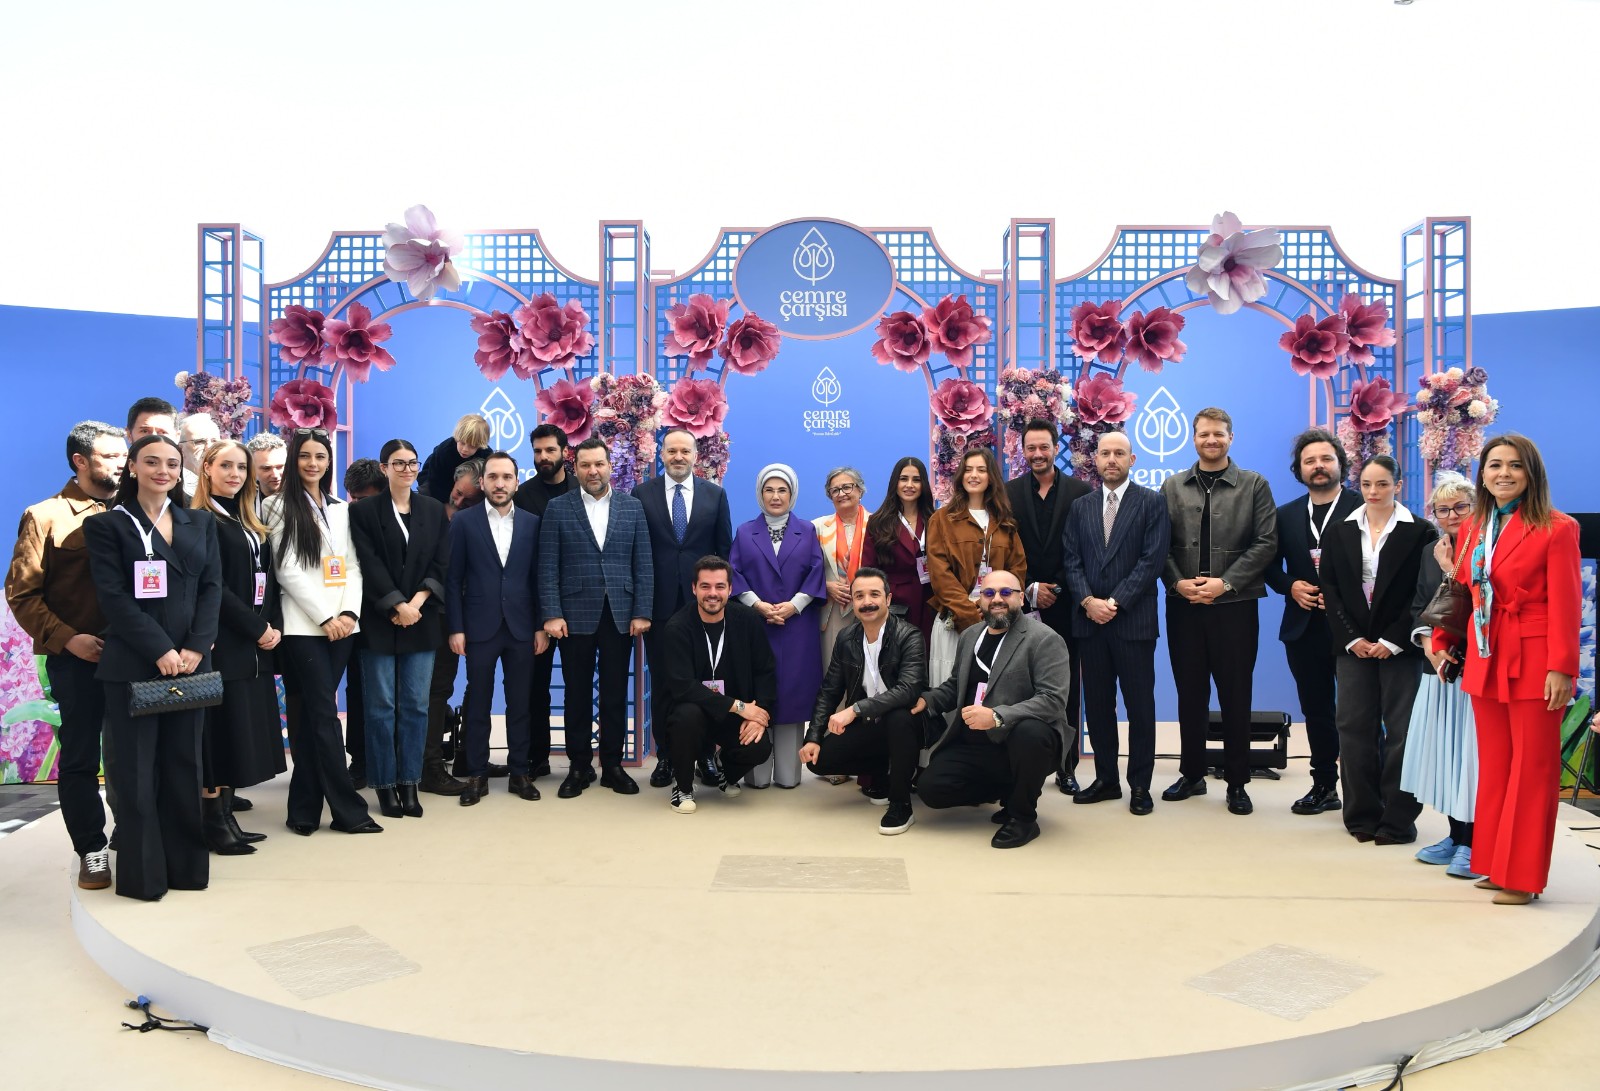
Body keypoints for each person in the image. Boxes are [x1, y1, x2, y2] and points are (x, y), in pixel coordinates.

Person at [1433, 435, 1581, 905]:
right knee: (1496, 766)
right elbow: (1463, 592)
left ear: (1531, 473)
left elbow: (1567, 603)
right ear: (1483, 474)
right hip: (1486, 654)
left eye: (1515, 465)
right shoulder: (1475, 526)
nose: (1503, 473)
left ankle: (1523, 877)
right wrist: (1443, 642)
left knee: (1533, 769)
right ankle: (1496, 865)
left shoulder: (1558, 528)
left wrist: (1562, 667)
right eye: (1495, 465)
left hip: (1535, 658)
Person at [83, 434, 220, 900]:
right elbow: (113, 597)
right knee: (135, 774)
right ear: (133, 467)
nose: (163, 471)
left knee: (185, 767)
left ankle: (186, 869)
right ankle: (144, 878)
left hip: (191, 665)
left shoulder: (200, 521)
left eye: (172, 463)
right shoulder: (108, 525)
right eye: (152, 462)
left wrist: (196, 646)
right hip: (134, 664)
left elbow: (212, 588)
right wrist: (160, 648)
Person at [5, 421, 127, 889]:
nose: (121, 463)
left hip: (138, 657)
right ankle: (91, 850)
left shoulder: (138, 510)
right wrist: (70, 639)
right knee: (79, 758)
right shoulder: (46, 516)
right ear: (80, 460)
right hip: (78, 659)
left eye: (124, 455)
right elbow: (23, 594)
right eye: (111, 456)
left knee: (137, 753)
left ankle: (134, 835)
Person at [1159, 407, 1277, 815]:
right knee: (1190, 694)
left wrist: (1224, 584)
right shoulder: (1172, 486)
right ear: (1194, 438)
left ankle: (1237, 782)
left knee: (1235, 695)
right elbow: (1159, 545)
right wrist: (1177, 582)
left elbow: (1266, 542)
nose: (1211, 440)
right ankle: (1191, 774)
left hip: (1235, 606)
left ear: (1231, 437)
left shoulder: (1254, 484)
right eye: (1204, 434)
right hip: (1184, 605)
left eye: (1219, 434)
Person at [265, 427, 381, 836]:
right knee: (324, 716)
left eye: (320, 456)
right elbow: (287, 570)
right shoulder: (276, 505)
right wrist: (324, 617)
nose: (313, 463)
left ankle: (303, 809)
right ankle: (349, 810)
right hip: (304, 627)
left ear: (329, 462)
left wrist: (347, 613)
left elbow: (352, 565)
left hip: (344, 627)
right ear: (293, 461)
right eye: (305, 456)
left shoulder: (341, 508)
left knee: (314, 716)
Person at [1319, 455, 1436, 845]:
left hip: (1400, 649)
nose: (1373, 491)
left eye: (1382, 484)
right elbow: (1331, 589)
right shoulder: (1339, 531)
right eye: (1367, 484)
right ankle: (1362, 815)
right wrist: (1353, 638)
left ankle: (1398, 819)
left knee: (1402, 732)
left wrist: (1392, 640)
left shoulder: (1420, 531)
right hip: (1352, 647)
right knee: (1354, 730)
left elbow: (1422, 593)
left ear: (1398, 486)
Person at [911, 570, 1069, 849]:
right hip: (977, 742)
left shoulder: (1044, 639)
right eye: (989, 593)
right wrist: (928, 700)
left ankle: (1023, 817)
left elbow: (1052, 699)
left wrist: (997, 716)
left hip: (1023, 740)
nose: (997, 599)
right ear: (980, 600)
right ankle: (1010, 788)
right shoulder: (970, 636)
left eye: (1006, 592)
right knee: (931, 790)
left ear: (1021, 598)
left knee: (1030, 732)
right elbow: (956, 685)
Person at [1061, 430, 1169, 816]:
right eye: (1105, 453)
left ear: (1131, 460)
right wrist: (1087, 601)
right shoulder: (1081, 507)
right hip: (1090, 623)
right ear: (1096, 458)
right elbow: (1071, 559)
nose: (1111, 459)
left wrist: (1114, 602)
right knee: (1098, 706)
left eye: (1119, 453)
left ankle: (1140, 785)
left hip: (1133, 622)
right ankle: (1106, 779)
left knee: (1140, 708)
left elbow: (1152, 561)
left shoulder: (1152, 503)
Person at [540, 437, 654, 797]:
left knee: (615, 693)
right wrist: (551, 613)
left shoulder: (632, 507)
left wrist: (642, 610)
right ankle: (579, 767)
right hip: (573, 615)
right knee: (575, 694)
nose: (593, 471)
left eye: (599, 464)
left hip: (620, 614)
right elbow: (547, 566)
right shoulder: (558, 508)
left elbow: (643, 563)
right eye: (586, 465)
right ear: (575, 468)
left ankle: (613, 766)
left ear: (610, 466)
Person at [190, 439, 283, 853]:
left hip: (253, 645)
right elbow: (215, 588)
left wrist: (271, 625)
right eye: (226, 466)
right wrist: (256, 627)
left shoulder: (246, 519)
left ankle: (226, 816)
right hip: (224, 643)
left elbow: (267, 580)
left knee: (238, 734)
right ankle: (213, 821)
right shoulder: (201, 519)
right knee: (220, 734)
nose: (235, 474)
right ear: (207, 468)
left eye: (242, 468)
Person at [350, 439, 451, 819]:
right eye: (398, 463)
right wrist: (396, 604)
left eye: (412, 463)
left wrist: (416, 604)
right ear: (384, 468)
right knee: (380, 708)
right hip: (379, 620)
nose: (407, 469)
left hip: (421, 621)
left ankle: (409, 782)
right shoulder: (364, 512)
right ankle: (384, 785)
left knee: (415, 706)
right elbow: (368, 563)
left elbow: (441, 562)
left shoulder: (433, 509)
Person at [1266, 428, 1362, 816]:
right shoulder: (1286, 515)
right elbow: (1269, 567)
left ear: (1341, 464)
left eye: (1325, 459)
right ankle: (1324, 786)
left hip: (1356, 629)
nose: (1318, 466)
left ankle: (1367, 790)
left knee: (1359, 714)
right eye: (1310, 461)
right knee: (1317, 711)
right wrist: (1290, 586)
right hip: (1303, 628)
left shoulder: (1363, 506)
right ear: (1299, 469)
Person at [632, 427, 733, 789]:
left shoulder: (715, 495)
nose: (678, 457)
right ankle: (666, 757)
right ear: (661, 454)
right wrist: (640, 606)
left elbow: (724, 552)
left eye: (684, 451)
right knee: (663, 682)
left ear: (695, 456)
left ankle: (704, 754)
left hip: (703, 608)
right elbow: (636, 552)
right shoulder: (642, 494)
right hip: (658, 607)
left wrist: (722, 603)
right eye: (671, 451)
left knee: (706, 682)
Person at [448, 451, 548, 806]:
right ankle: (476, 774)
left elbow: (539, 578)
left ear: (516, 482)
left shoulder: (533, 523)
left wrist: (541, 626)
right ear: (483, 482)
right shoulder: (464, 522)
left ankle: (520, 772)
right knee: (478, 702)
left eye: (506, 477)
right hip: (479, 627)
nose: (500, 483)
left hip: (523, 628)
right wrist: (456, 627)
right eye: (493, 477)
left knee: (521, 702)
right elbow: (453, 579)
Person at [800, 567, 927, 834]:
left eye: (874, 594)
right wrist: (813, 737)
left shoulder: (909, 635)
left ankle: (901, 804)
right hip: (870, 722)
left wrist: (855, 709)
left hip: (907, 722)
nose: (866, 602)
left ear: (888, 599)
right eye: (859, 596)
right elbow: (829, 690)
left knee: (899, 718)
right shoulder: (847, 638)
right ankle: (882, 773)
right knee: (817, 761)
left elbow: (908, 690)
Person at [728, 464, 828, 788]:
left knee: (792, 694)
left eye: (782, 490)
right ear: (760, 494)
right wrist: (757, 605)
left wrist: (793, 606)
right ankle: (756, 771)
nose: (775, 496)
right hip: (755, 625)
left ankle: (788, 773)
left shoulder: (807, 531)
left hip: (796, 627)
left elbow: (816, 572)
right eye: (769, 490)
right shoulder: (745, 532)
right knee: (756, 692)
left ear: (792, 494)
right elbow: (733, 574)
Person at [1005, 420, 1092, 794]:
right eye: (1031, 448)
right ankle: (1020, 765)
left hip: (1068, 604)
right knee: (1019, 685)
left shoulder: (1081, 492)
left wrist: (1055, 586)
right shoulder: (1008, 493)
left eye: (1044, 447)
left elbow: (1087, 549)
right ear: (1022, 451)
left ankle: (1066, 766)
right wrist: (1029, 588)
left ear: (1057, 448)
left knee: (1066, 687)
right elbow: (1002, 549)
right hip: (1021, 607)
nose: (1038, 454)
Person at [1403, 472, 1483, 879]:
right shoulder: (1430, 551)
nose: (1451, 516)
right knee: (1446, 757)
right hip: (1438, 669)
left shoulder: (1486, 547)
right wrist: (1430, 648)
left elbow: (1477, 604)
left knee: (1471, 760)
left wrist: (1452, 569)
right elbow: (1422, 605)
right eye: (1442, 509)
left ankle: (1475, 843)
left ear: (1477, 508)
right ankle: (1455, 836)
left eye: (1460, 507)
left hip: (1476, 669)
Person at [656, 557, 777, 813]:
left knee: (760, 746)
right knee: (687, 715)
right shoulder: (677, 627)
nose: (713, 593)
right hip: (691, 713)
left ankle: (725, 770)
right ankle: (683, 786)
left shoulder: (747, 620)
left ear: (730, 589)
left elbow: (765, 671)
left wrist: (760, 715)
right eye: (705, 586)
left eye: (720, 586)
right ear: (694, 588)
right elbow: (683, 687)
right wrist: (740, 706)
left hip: (730, 717)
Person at [925, 447, 1027, 687]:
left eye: (981, 470)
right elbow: (940, 574)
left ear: (991, 477)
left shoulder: (1004, 521)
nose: (974, 475)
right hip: (954, 619)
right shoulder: (942, 519)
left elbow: (1017, 568)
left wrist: (997, 603)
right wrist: (969, 613)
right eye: (968, 469)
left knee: (992, 688)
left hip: (997, 615)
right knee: (951, 688)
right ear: (960, 476)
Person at [514, 424, 578, 779]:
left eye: (550, 450)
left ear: (565, 452)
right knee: (534, 687)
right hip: (535, 609)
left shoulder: (581, 490)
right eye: (537, 451)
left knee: (577, 687)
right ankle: (536, 757)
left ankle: (579, 761)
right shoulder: (522, 495)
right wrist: (539, 615)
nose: (543, 457)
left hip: (578, 606)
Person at [338, 459, 384, 788]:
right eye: (353, 499)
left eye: (364, 499)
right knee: (356, 690)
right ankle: (360, 759)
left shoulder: (397, 517)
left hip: (389, 616)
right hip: (349, 617)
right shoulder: (340, 518)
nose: (356, 506)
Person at [863, 456, 936, 643]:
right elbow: (869, 571)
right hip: (894, 604)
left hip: (931, 600)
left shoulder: (936, 520)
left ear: (924, 485)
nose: (909, 485)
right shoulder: (878, 522)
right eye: (904, 479)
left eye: (916, 480)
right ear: (895, 483)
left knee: (927, 652)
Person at [814, 466, 872, 668]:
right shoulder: (817, 528)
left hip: (870, 606)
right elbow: (803, 570)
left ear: (860, 490)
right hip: (833, 610)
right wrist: (825, 585)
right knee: (833, 670)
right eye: (835, 490)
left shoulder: (878, 524)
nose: (841, 494)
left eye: (847, 487)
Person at [417, 414, 491, 505]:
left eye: (472, 446)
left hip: (461, 486)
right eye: (462, 443)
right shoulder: (445, 451)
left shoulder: (486, 455)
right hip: (433, 478)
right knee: (429, 495)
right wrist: (444, 505)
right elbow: (435, 480)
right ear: (457, 438)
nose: (465, 449)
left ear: (480, 445)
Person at [177, 412, 221, 494]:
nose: (209, 447)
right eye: (200, 442)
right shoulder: (172, 485)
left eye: (214, 441)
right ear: (180, 448)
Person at [246, 432, 288, 512]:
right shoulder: (243, 501)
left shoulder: (303, 498)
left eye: (280, 467)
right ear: (252, 469)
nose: (275, 475)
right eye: (266, 468)